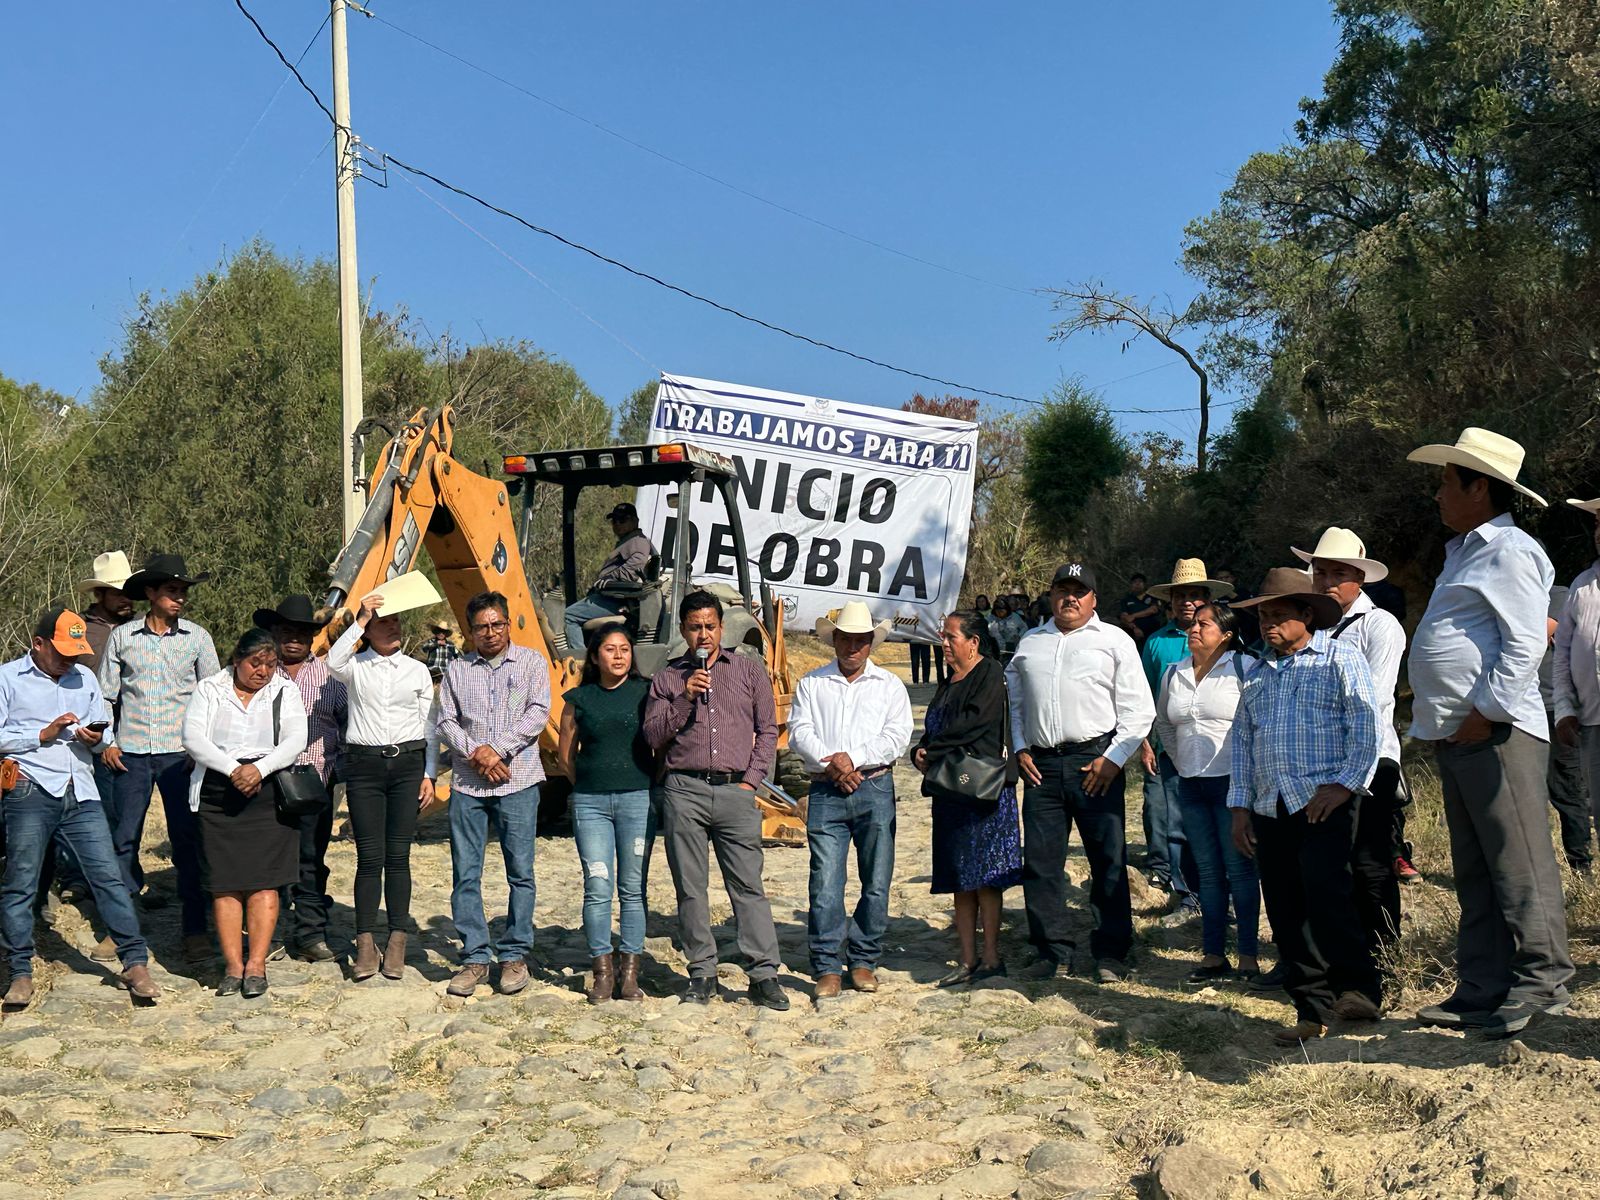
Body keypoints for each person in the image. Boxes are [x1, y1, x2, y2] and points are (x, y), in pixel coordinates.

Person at [1406, 429, 1573, 1037]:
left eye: (1448, 482)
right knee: (1477, 869)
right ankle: (1481, 987)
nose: (1439, 495)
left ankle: (1543, 981)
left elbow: (1527, 640)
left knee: (1519, 860)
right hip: (1462, 736)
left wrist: (1487, 712)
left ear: (1480, 487)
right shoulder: (1465, 552)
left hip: (1497, 736)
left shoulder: (1512, 549)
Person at [1228, 568, 1381, 1044]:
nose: (1268, 625)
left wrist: (1346, 785)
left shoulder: (1339, 658)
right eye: (1262, 618)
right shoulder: (1256, 675)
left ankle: (1357, 990)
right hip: (1271, 807)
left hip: (1323, 802)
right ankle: (1309, 1009)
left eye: (1278, 615)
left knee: (1328, 892)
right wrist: (1239, 809)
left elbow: (1366, 724)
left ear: (1306, 616)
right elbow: (1242, 745)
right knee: (1286, 906)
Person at [1, 609, 160, 1009]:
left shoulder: (84, 678)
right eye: (62, 652)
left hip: (81, 791)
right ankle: (19, 971)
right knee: (20, 883)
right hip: (29, 787)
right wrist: (43, 733)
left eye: (76, 652)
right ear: (38, 644)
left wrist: (94, 739)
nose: (70, 660)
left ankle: (135, 963)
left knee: (108, 877)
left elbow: (100, 729)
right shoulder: (7, 679)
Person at [1007, 561, 1154, 984]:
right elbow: (1016, 704)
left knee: (1107, 860)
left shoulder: (1115, 640)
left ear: (1093, 599)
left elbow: (1138, 709)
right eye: (1062, 590)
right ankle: (1050, 950)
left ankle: (1111, 951)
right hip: (1042, 766)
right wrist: (1018, 747)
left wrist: (1114, 758)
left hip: (1096, 763)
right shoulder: (1030, 642)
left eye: (1079, 591)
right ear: (1051, 595)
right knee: (1040, 863)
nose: (1070, 598)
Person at [643, 589, 789, 1010]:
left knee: (748, 885)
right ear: (684, 631)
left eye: (710, 626)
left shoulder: (747, 671)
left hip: (734, 791)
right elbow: (653, 736)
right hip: (683, 790)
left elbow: (767, 731)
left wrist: (751, 782)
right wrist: (686, 697)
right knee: (691, 889)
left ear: (721, 628)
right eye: (695, 627)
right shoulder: (668, 678)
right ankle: (702, 972)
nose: (703, 634)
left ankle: (764, 974)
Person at [1294, 527, 1417, 949]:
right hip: (1321, 762)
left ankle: (1383, 955)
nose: (1325, 581)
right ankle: (1339, 954)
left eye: (1336, 573)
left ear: (1359, 579)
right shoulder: (1317, 629)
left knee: (1371, 862)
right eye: (1319, 572)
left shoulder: (1380, 626)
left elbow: (1375, 701)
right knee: (1327, 863)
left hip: (1370, 760)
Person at [98, 553, 220, 963]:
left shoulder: (198, 639)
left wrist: (201, 750)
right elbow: (106, 696)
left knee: (187, 841)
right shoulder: (123, 638)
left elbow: (213, 698)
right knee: (124, 840)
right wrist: (106, 743)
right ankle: (121, 928)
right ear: (150, 593)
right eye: (172, 590)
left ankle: (195, 929)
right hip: (130, 754)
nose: (180, 598)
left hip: (179, 757)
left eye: (184, 591)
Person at [790, 602, 913, 1000]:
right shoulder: (812, 683)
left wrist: (851, 759)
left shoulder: (890, 685)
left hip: (874, 787)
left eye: (861, 640)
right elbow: (799, 734)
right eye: (847, 638)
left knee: (876, 881)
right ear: (835, 640)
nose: (853, 646)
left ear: (871, 643)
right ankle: (827, 965)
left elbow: (897, 736)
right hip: (827, 789)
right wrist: (834, 765)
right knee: (825, 882)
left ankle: (863, 960)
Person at [182, 628, 307, 998]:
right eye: (256, 662)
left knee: (264, 881)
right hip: (218, 792)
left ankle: (257, 965)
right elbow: (192, 738)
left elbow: (295, 740)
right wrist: (232, 768)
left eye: (271, 664)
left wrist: (259, 769)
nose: (263, 671)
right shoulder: (210, 689)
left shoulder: (284, 690)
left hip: (267, 791)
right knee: (225, 883)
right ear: (236, 659)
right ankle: (233, 966)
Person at [437, 591, 551, 998]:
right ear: (470, 631)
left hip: (518, 781)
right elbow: (446, 719)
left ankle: (515, 953)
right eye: (482, 626)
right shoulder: (456, 670)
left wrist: (495, 749)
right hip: (468, 785)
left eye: (497, 623)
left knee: (520, 872)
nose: (490, 632)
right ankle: (475, 956)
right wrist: (475, 753)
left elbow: (537, 713)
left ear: (508, 622)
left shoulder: (532, 663)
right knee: (466, 873)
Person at [327, 590, 436, 982]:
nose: (391, 627)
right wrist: (358, 618)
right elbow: (330, 661)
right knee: (369, 858)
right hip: (364, 766)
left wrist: (430, 773)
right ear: (369, 631)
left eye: (394, 622)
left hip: (407, 765)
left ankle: (398, 940)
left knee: (399, 856)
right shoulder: (355, 666)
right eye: (382, 622)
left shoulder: (417, 670)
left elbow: (430, 726)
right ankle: (365, 941)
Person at [1151, 601, 1261, 983]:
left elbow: (1256, 726)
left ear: (1226, 636)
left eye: (1205, 624)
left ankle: (1248, 955)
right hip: (1191, 785)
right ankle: (1214, 955)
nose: (1194, 629)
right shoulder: (1173, 673)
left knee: (1241, 871)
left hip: (1233, 784)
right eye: (1193, 624)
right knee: (1209, 874)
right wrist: (1182, 765)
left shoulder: (1245, 669)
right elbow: (1164, 724)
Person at [915, 611, 1022, 985]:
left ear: (973, 642)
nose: (944, 643)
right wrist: (921, 749)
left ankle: (992, 957)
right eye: (943, 637)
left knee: (987, 877)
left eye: (951, 637)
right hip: (951, 790)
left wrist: (934, 748)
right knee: (960, 876)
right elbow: (935, 726)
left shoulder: (989, 672)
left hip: (983, 791)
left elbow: (974, 723)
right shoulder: (948, 681)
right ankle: (967, 959)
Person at [558, 625, 656, 1004]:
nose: (619, 656)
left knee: (633, 888)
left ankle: (630, 973)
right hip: (591, 804)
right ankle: (602, 971)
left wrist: (645, 782)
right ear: (595, 656)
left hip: (637, 800)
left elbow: (660, 748)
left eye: (625, 649)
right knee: (598, 887)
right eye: (610, 650)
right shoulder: (579, 698)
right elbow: (567, 753)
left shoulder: (646, 693)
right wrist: (588, 784)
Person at [253, 596, 348, 963]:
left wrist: (336, 772)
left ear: (312, 637)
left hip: (314, 782)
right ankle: (270, 933)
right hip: (264, 780)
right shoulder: (258, 673)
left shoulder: (330, 676)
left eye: (303, 633)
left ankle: (310, 932)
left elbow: (345, 723)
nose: (294, 639)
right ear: (274, 633)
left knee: (310, 858)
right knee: (267, 858)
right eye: (287, 631)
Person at [1139, 559, 1233, 911]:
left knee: (1220, 824)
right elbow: (1145, 696)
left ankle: (1225, 895)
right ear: (1170, 601)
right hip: (1169, 748)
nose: (1187, 602)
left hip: (1217, 753)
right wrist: (1146, 743)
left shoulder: (1226, 642)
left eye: (1195, 595)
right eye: (1180, 596)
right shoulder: (1156, 644)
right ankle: (1185, 893)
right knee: (1173, 821)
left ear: (1207, 599)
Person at [1555, 496, 1600, 855]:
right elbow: (1564, 653)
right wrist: (1565, 708)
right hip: (1592, 722)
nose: (1599, 533)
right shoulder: (1582, 587)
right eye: (1598, 524)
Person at [562, 502, 657, 656]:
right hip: (610, 595)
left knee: (567, 616)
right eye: (614, 521)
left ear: (635, 521)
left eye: (622, 520)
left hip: (617, 599)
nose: (617, 524)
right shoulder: (628, 541)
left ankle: (580, 659)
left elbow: (634, 570)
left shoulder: (639, 541)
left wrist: (609, 579)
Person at [1544, 582, 1592, 872]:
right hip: (1517, 710)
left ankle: (1580, 863)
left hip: (1554, 707)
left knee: (1567, 788)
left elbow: (1540, 633)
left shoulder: (1559, 595)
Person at [1117, 574, 1163, 647]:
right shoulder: (1126, 600)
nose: (1137, 584)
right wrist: (1135, 628)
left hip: (1154, 634)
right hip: (1134, 636)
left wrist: (1133, 616)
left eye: (1140, 582)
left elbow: (1153, 610)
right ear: (1131, 585)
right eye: (1135, 582)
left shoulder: (1152, 596)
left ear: (1145, 584)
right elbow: (1125, 617)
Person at [988, 598, 1028, 663]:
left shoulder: (1015, 617)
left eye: (1002, 611)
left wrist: (1019, 635)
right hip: (996, 647)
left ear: (1006, 609)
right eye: (997, 611)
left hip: (1012, 646)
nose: (1000, 613)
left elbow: (1024, 627)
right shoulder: (990, 618)